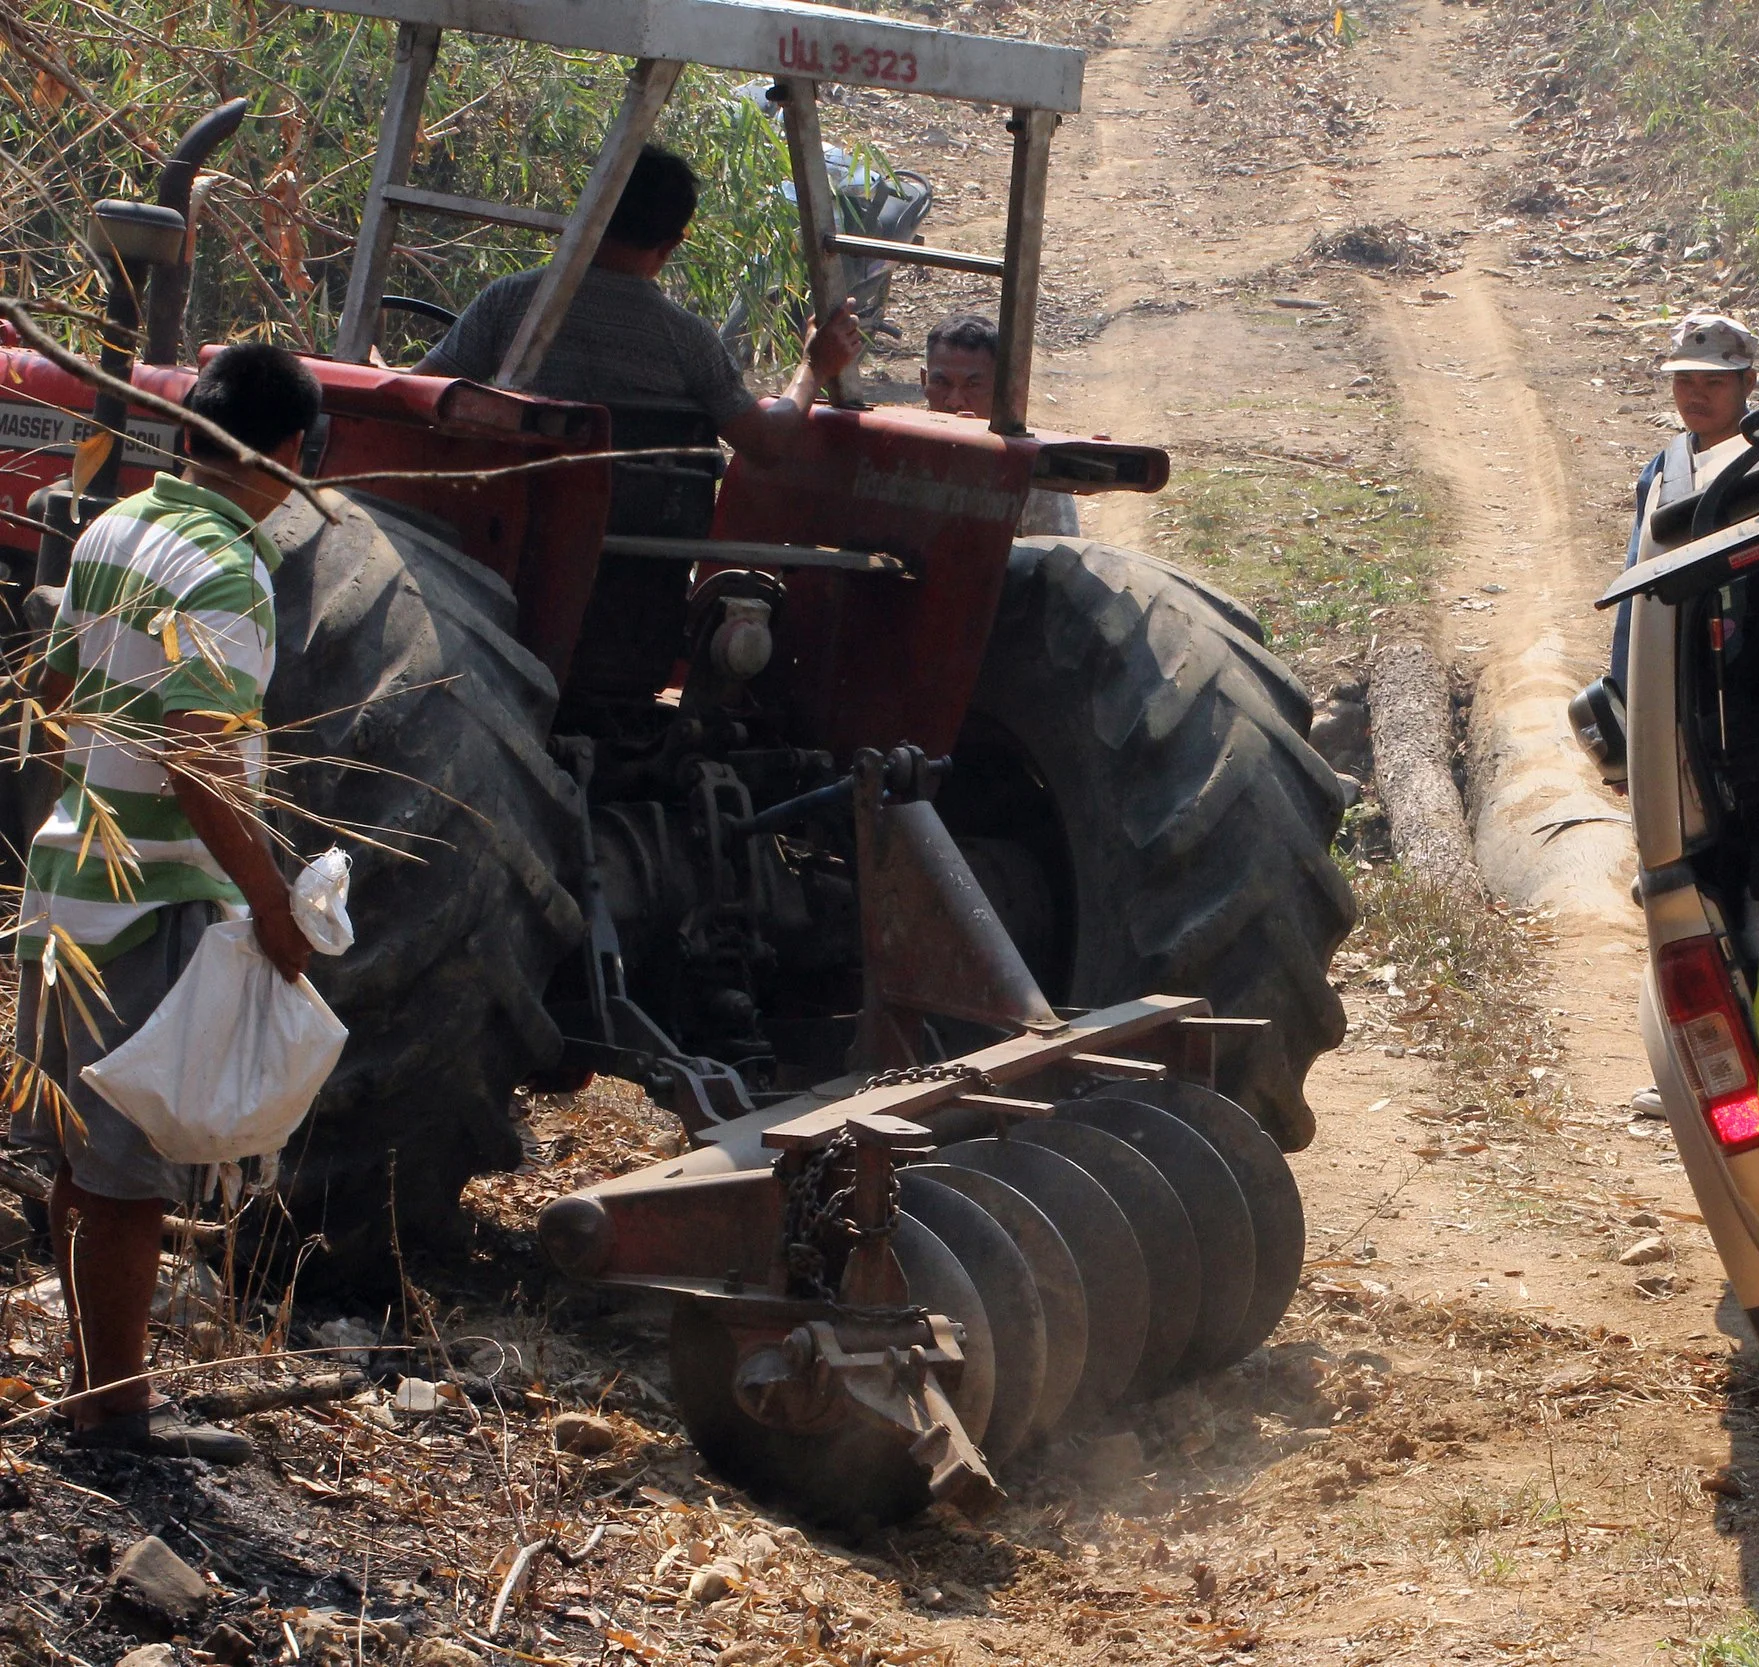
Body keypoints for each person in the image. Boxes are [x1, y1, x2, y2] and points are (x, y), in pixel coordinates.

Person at [10, 342, 323, 1462]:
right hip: (143, 903)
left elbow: (51, 686)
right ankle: (119, 1414)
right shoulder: (231, 574)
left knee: (77, 1159)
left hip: (67, 883)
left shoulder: (112, 526)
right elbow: (198, 759)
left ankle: (92, 1387)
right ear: (286, 456)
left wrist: (87, 778)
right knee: (131, 1172)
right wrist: (273, 903)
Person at [418, 144, 862, 458]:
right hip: (646, 551)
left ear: (591, 211)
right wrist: (814, 368)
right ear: (670, 245)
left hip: (505, 528)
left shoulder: (509, 301)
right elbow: (767, 443)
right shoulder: (688, 341)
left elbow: (416, 396)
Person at [1610, 312, 1759, 686]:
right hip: (1687, 669)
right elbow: (1640, 588)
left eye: (1714, 381)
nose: (1696, 395)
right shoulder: (1665, 472)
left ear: (1749, 383)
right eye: (1684, 380)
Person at [920, 313, 1081, 537]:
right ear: (923, 381)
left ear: (1002, 388)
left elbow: (1058, 561)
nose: (954, 401)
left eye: (972, 385)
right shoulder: (896, 453)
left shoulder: (1030, 471)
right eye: (941, 383)